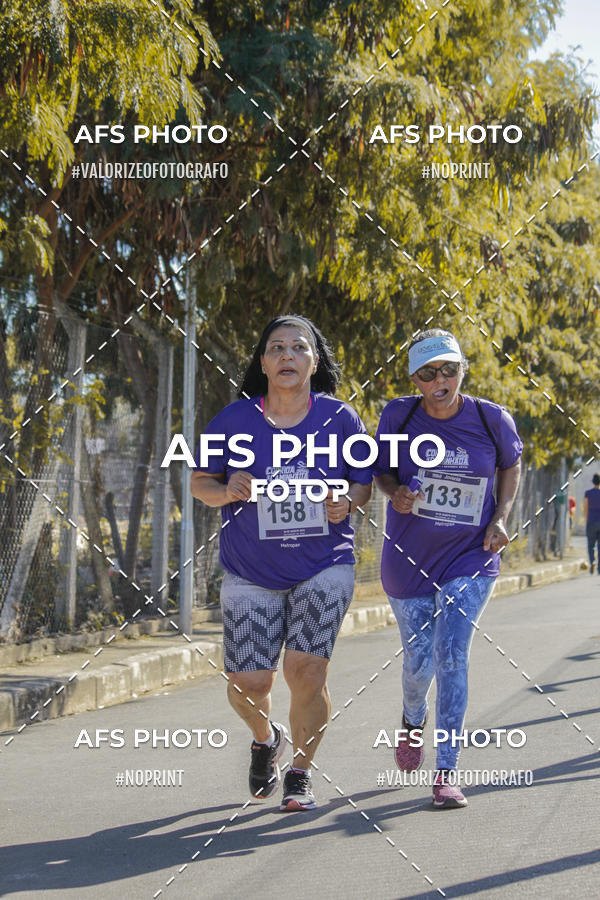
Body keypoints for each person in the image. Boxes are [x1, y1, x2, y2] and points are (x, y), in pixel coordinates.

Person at [191, 315, 372, 811]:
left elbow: (363, 482)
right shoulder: (233, 420)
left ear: (315, 361)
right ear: (264, 362)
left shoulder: (341, 419)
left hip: (323, 564)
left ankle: (300, 772)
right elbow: (199, 483)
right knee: (250, 684)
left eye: (298, 348)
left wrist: (347, 501)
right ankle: (265, 737)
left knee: (307, 671)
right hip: (250, 570)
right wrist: (225, 488)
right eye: (276, 348)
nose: (287, 355)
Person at [374, 329, 523, 809]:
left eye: (450, 369)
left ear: (463, 369)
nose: (441, 379)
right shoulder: (400, 415)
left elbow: (510, 466)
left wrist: (500, 518)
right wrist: (393, 490)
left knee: (452, 655)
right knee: (418, 664)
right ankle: (412, 719)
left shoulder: (489, 417)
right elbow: (379, 469)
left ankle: (447, 772)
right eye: (429, 372)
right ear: (415, 378)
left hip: (470, 554)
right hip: (409, 557)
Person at [583, 474, 600, 574]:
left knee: (590, 545)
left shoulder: (588, 493)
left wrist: (586, 520)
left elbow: (585, 508)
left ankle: (592, 560)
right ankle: (599, 567)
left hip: (591, 521)